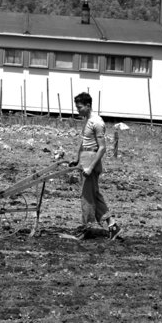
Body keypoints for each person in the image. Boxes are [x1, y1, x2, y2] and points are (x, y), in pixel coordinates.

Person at [71, 92, 121, 240]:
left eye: (80, 107)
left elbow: (102, 148)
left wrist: (90, 167)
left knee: (87, 196)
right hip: (85, 159)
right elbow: (84, 142)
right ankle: (112, 225)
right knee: (94, 194)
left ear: (88, 105)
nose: (78, 110)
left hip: (91, 160)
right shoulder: (87, 120)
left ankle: (87, 228)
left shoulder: (97, 122)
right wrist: (76, 159)